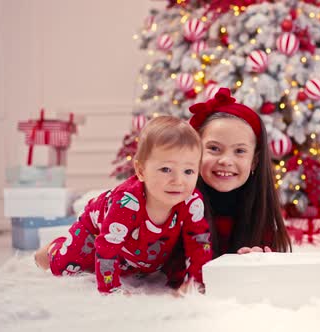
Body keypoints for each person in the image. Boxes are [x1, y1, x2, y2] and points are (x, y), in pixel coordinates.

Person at [34, 116, 213, 294]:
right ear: (141, 171)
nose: (178, 181)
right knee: (66, 267)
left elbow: (199, 242)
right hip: (96, 230)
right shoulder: (127, 203)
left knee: (145, 270)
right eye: (166, 169)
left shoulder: (192, 201)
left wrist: (195, 283)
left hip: (136, 247)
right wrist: (111, 288)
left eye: (188, 171)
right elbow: (107, 246)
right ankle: (54, 248)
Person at [188, 87, 292, 255]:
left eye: (239, 151)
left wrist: (258, 261)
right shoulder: (178, 204)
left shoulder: (260, 215)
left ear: (254, 161)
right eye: (214, 148)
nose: (226, 161)